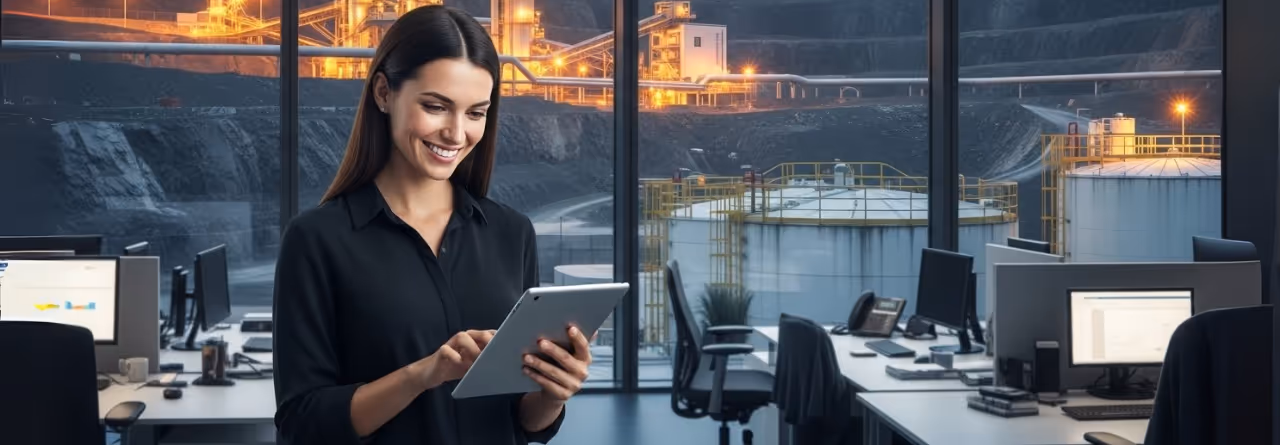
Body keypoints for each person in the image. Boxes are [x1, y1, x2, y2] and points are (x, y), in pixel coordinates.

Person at [272, 6, 588, 444]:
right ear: (383, 93)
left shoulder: (511, 233)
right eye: (436, 107)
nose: (457, 134)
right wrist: (423, 374)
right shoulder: (317, 240)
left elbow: (521, 422)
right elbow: (302, 423)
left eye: (476, 113)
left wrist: (554, 393)